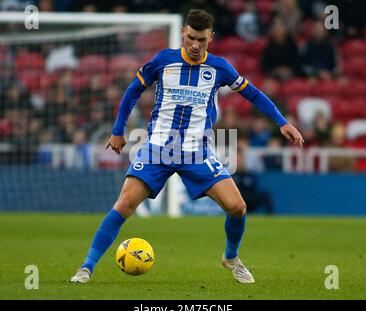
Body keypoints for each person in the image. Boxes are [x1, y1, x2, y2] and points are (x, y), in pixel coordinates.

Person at [70, 9, 304, 284]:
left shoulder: (219, 67)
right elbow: (133, 89)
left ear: (211, 38)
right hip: (157, 148)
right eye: (191, 38)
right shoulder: (163, 61)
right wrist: (118, 130)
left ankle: (231, 257)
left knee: (238, 207)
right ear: (183, 32)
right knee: (124, 204)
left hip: (197, 152)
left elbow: (252, 93)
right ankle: (86, 267)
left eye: (201, 40)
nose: (195, 45)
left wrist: (281, 122)